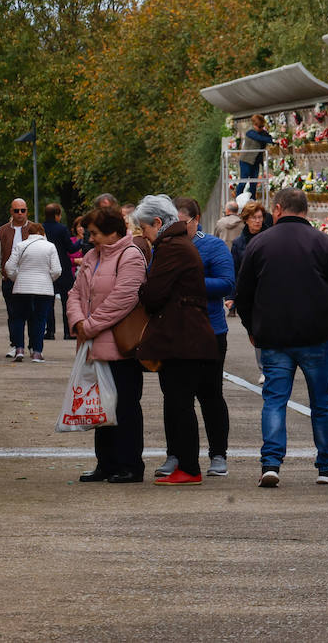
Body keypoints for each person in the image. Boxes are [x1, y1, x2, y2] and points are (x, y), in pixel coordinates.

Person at [234, 187, 328, 489]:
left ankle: (270, 464)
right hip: (316, 335)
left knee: (274, 399)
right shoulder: (325, 244)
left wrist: (252, 328)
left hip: (273, 337)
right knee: (323, 403)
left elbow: (243, 293)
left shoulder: (259, 244)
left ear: (277, 209)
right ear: (306, 211)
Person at [131, 195, 220, 487]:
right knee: (178, 402)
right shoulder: (179, 244)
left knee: (180, 404)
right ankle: (185, 464)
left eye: (144, 227)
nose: (143, 234)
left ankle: (189, 467)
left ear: (158, 222)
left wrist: (143, 290)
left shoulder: (170, 248)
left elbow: (154, 294)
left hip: (183, 337)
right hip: (186, 336)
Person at [151, 197, 234, 480]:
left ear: (196, 220)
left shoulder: (212, 246)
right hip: (172, 332)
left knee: (210, 394)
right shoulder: (162, 247)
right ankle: (175, 454)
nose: (177, 227)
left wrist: (187, 282)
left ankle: (218, 454)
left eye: (182, 222)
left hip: (210, 331)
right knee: (173, 398)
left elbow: (226, 283)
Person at [67, 206, 149, 484]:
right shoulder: (92, 256)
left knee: (125, 407)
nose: (91, 239)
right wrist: (78, 321)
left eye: (95, 233)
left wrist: (88, 326)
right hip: (92, 345)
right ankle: (106, 463)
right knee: (100, 407)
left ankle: (129, 465)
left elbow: (123, 299)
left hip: (121, 348)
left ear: (113, 232)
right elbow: (75, 293)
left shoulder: (131, 257)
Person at [5, 222, 60, 363]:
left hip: (22, 288)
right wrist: (48, 279)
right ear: (42, 233)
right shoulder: (50, 247)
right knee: (40, 320)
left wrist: (18, 277)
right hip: (43, 289)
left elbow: (9, 267)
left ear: (28, 233)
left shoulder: (20, 246)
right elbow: (56, 270)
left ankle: (19, 349)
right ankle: (37, 352)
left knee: (18, 319)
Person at [0, 198, 32, 357]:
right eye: (16, 210)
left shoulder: (35, 229)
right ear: (11, 211)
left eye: (23, 210)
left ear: (27, 211)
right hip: (9, 279)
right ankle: (15, 344)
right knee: (13, 313)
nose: (20, 214)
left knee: (31, 313)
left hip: (30, 278)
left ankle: (33, 345)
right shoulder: (2, 230)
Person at [42, 204, 76, 341]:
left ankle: (50, 331)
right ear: (57, 215)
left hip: (47, 268)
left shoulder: (41, 228)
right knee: (66, 302)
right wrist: (80, 241)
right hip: (63, 268)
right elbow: (71, 248)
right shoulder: (62, 229)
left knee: (48, 303)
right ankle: (68, 332)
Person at [237, 114, 274, 196]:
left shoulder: (262, 132)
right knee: (243, 181)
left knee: (254, 183)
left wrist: (274, 139)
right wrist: (272, 140)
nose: (261, 128)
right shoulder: (250, 132)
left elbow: (269, 138)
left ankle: (252, 200)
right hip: (246, 160)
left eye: (262, 126)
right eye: (260, 126)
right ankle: (238, 199)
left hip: (256, 161)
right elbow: (260, 138)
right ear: (254, 125)